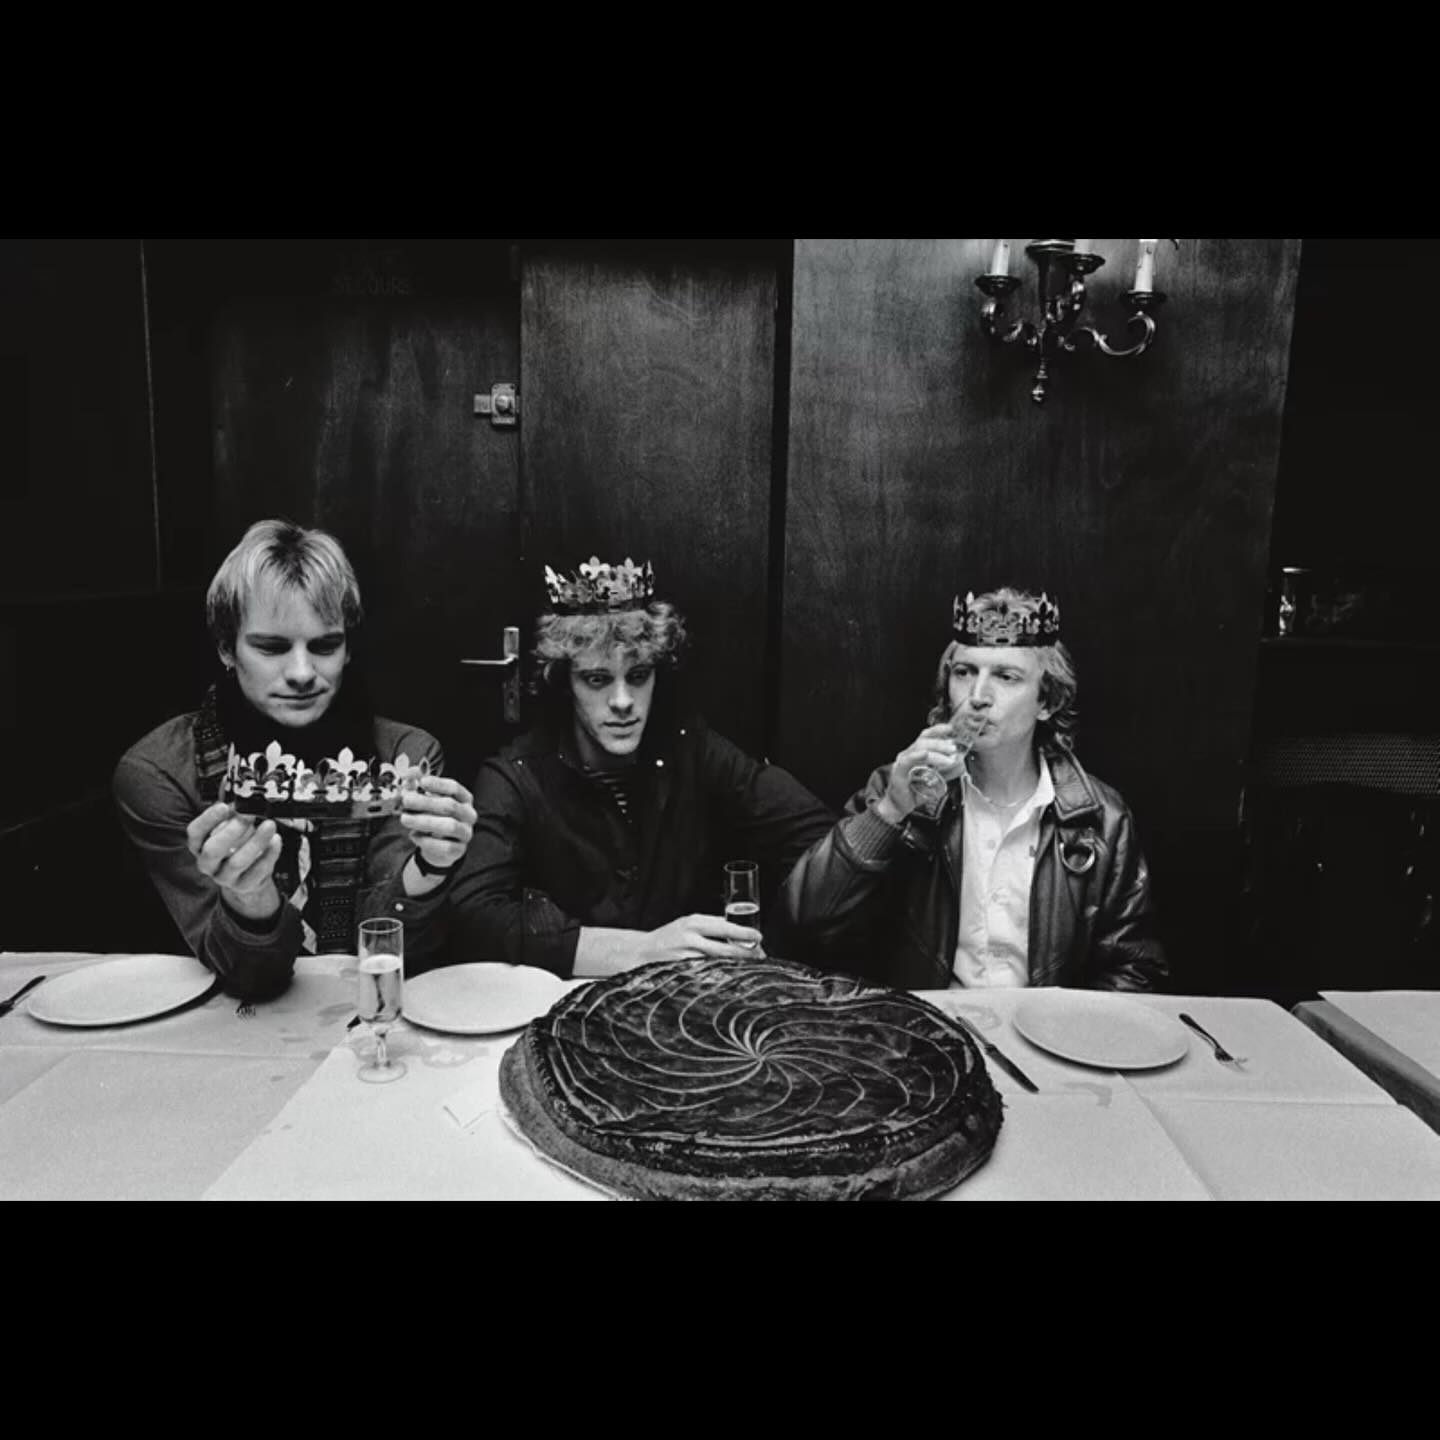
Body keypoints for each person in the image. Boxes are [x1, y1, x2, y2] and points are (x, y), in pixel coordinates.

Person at [114, 520, 477, 1001]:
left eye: (325, 646)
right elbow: (247, 975)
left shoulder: (407, 755)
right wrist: (251, 897)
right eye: (272, 647)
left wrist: (431, 867)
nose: (303, 673)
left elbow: (395, 947)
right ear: (226, 647)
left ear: (347, 649)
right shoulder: (159, 773)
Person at [441, 555, 835, 978]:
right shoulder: (516, 773)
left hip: (682, 1002)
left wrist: (758, 940)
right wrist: (638, 949)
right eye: (597, 679)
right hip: (565, 1008)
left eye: (639, 675)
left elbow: (812, 835)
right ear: (564, 682)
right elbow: (474, 913)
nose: (623, 701)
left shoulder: (693, 748)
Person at [781, 586, 1167, 991]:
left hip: (1041, 1038)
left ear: (1046, 701)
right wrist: (891, 811)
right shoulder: (898, 787)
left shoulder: (1101, 818)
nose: (979, 696)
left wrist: (1061, 1030)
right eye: (964, 673)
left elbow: (1137, 969)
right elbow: (803, 926)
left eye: (1006, 676)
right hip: (926, 1034)